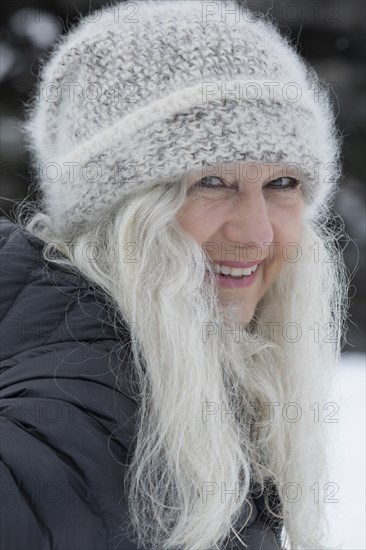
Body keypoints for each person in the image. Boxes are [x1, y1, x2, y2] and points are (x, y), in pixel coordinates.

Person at [0, 0, 349, 549]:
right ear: (116, 209)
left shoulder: (193, 376)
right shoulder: (84, 409)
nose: (258, 233)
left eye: (283, 184)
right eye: (212, 181)